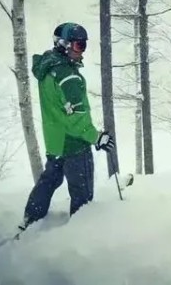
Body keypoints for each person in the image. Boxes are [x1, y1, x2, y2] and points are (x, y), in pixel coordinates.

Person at [19, 22, 115, 231]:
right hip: (74, 144)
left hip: (55, 141)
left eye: (84, 46)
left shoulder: (48, 66)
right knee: (82, 191)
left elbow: (59, 110)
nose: (83, 51)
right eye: (79, 46)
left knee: (50, 179)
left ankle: (31, 217)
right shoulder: (68, 76)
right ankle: (81, 232)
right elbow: (77, 117)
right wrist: (95, 137)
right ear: (63, 45)